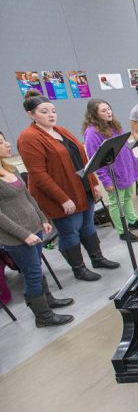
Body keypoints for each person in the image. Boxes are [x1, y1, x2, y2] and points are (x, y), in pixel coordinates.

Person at [18, 90, 119, 281]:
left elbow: (83, 159)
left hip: (82, 189)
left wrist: (94, 183)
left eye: (53, 111)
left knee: (88, 226)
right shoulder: (29, 137)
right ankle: (79, 269)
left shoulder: (61, 131)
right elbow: (38, 174)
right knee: (70, 232)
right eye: (44, 112)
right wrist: (62, 198)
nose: (51, 115)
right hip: (61, 195)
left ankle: (97, 258)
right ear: (31, 115)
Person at [0, 131, 74, 327]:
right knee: (31, 273)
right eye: (1, 142)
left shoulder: (11, 169)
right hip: (17, 237)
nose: (7, 144)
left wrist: (42, 219)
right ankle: (43, 316)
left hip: (34, 228)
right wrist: (24, 235)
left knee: (36, 268)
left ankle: (48, 300)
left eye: (4, 139)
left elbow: (29, 197)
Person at [83, 99, 138, 243]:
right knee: (116, 202)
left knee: (127, 197)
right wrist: (106, 181)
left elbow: (125, 147)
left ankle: (132, 221)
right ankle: (122, 230)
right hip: (114, 174)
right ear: (94, 114)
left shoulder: (113, 126)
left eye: (109, 109)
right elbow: (96, 159)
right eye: (103, 110)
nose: (108, 112)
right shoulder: (92, 133)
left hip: (125, 169)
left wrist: (133, 163)